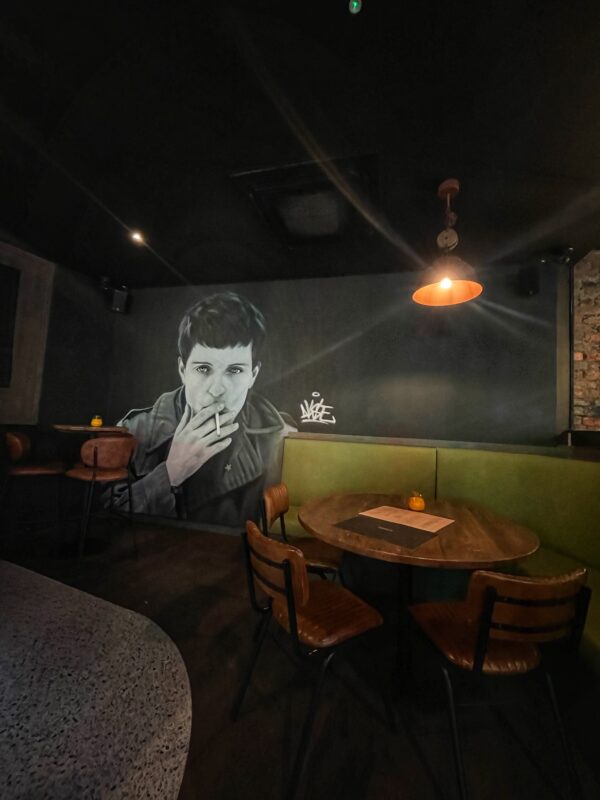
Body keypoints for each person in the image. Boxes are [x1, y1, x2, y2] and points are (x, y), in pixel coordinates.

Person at [111, 292, 296, 527]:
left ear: (253, 375)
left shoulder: (280, 439)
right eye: (203, 369)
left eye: (235, 370)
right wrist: (170, 473)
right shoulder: (133, 431)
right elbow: (106, 523)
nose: (217, 389)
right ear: (182, 370)